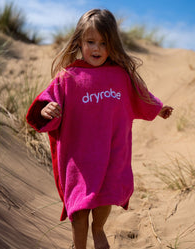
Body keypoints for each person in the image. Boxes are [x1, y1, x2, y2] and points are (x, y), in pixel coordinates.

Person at [26, 9, 173, 249]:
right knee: (79, 211)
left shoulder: (121, 77)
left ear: (112, 44)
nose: (96, 49)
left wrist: (158, 108)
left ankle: (99, 229)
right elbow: (46, 103)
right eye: (90, 42)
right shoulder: (68, 77)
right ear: (79, 42)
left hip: (112, 156)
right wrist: (46, 109)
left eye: (103, 43)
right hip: (79, 160)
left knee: (105, 200)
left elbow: (140, 97)